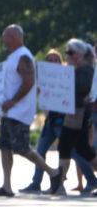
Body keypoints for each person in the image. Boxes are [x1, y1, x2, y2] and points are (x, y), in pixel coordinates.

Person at [0, 25, 62, 197]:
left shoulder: (23, 56)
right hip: (8, 112)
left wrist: (13, 101)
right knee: (5, 147)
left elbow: (29, 81)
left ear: (15, 37)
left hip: (18, 112)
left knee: (21, 148)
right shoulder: (12, 57)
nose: (3, 40)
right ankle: (6, 186)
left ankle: (54, 173)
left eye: (6, 37)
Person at [20, 49, 97, 194]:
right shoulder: (46, 77)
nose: (53, 62)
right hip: (50, 122)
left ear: (60, 61)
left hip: (63, 121)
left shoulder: (66, 76)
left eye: (56, 59)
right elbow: (39, 95)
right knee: (40, 151)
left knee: (74, 153)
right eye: (50, 60)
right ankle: (36, 183)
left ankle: (91, 180)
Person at [51, 39, 97, 195]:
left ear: (80, 55)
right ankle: (59, 185)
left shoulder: (86, 71)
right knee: (74, 148)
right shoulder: (77, 70)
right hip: (73, 115)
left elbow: (82, 92)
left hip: (79, 115)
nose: (68, 56)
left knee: (75, 148)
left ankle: (59, 186)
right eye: (67, 53)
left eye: (70, 53)